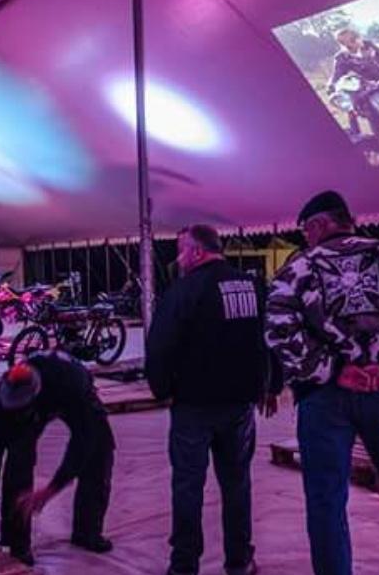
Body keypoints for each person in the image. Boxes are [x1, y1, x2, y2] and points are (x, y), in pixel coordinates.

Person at [265, 191, 379, 575]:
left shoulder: (299, 269)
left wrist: (333, 370)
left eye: (306, 231)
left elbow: (279, 328)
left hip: (324, 399)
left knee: (326, 501)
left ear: (320, 224)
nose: (306, 239)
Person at [145, 224, 282, 575]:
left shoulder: (184, 291)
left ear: (196, 252)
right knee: (237, 483)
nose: (178, 258)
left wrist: (162, 389)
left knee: (188, 485)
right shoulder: (252, 286)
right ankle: (239, 561)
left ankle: (184, 565)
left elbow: (160, 346)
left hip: (194, 404)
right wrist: (272, 383)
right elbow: (272, 335)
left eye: (180, 250)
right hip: (239, 404)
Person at [0, 351, 115, 565]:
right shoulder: (2, 399)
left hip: (71, 397)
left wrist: (51, 489)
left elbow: (84, 441)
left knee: (99, 453)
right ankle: (18, 543)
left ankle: (87, 531)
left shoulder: (71, 385)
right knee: (18, 467)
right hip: (36, 405)